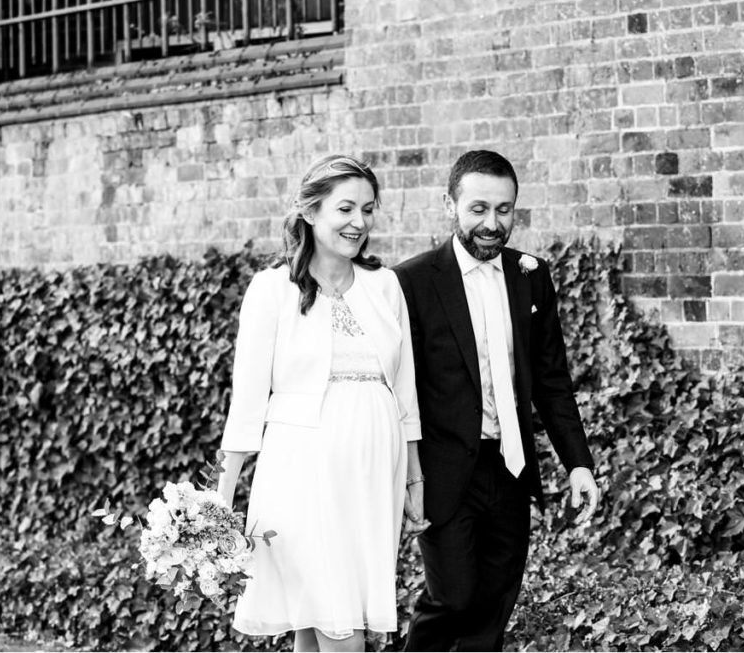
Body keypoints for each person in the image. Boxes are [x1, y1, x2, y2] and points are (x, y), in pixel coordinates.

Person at [216, 154, 429, 653]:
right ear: (310, 212)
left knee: (316, 626)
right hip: (301, 472)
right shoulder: (271, 290)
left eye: (369, 210)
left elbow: (406, 390)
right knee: (342, 628)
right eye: (346, 208)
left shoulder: (385, 286)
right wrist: (221, 500)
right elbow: (246, 404)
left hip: (374, 475)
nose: (359, 222)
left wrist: (414, 480)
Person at [392, 149, 600, 651]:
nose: (492, 223)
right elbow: (398, 391)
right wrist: (407, 476)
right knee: (453, 600)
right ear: (451, 205)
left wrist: (578, 464)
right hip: (444, 471)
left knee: (493, 609)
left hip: (510, 467)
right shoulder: (410, 282)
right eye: (478, 208)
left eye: (503, 210)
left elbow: (552, 378)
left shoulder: (532, 274)